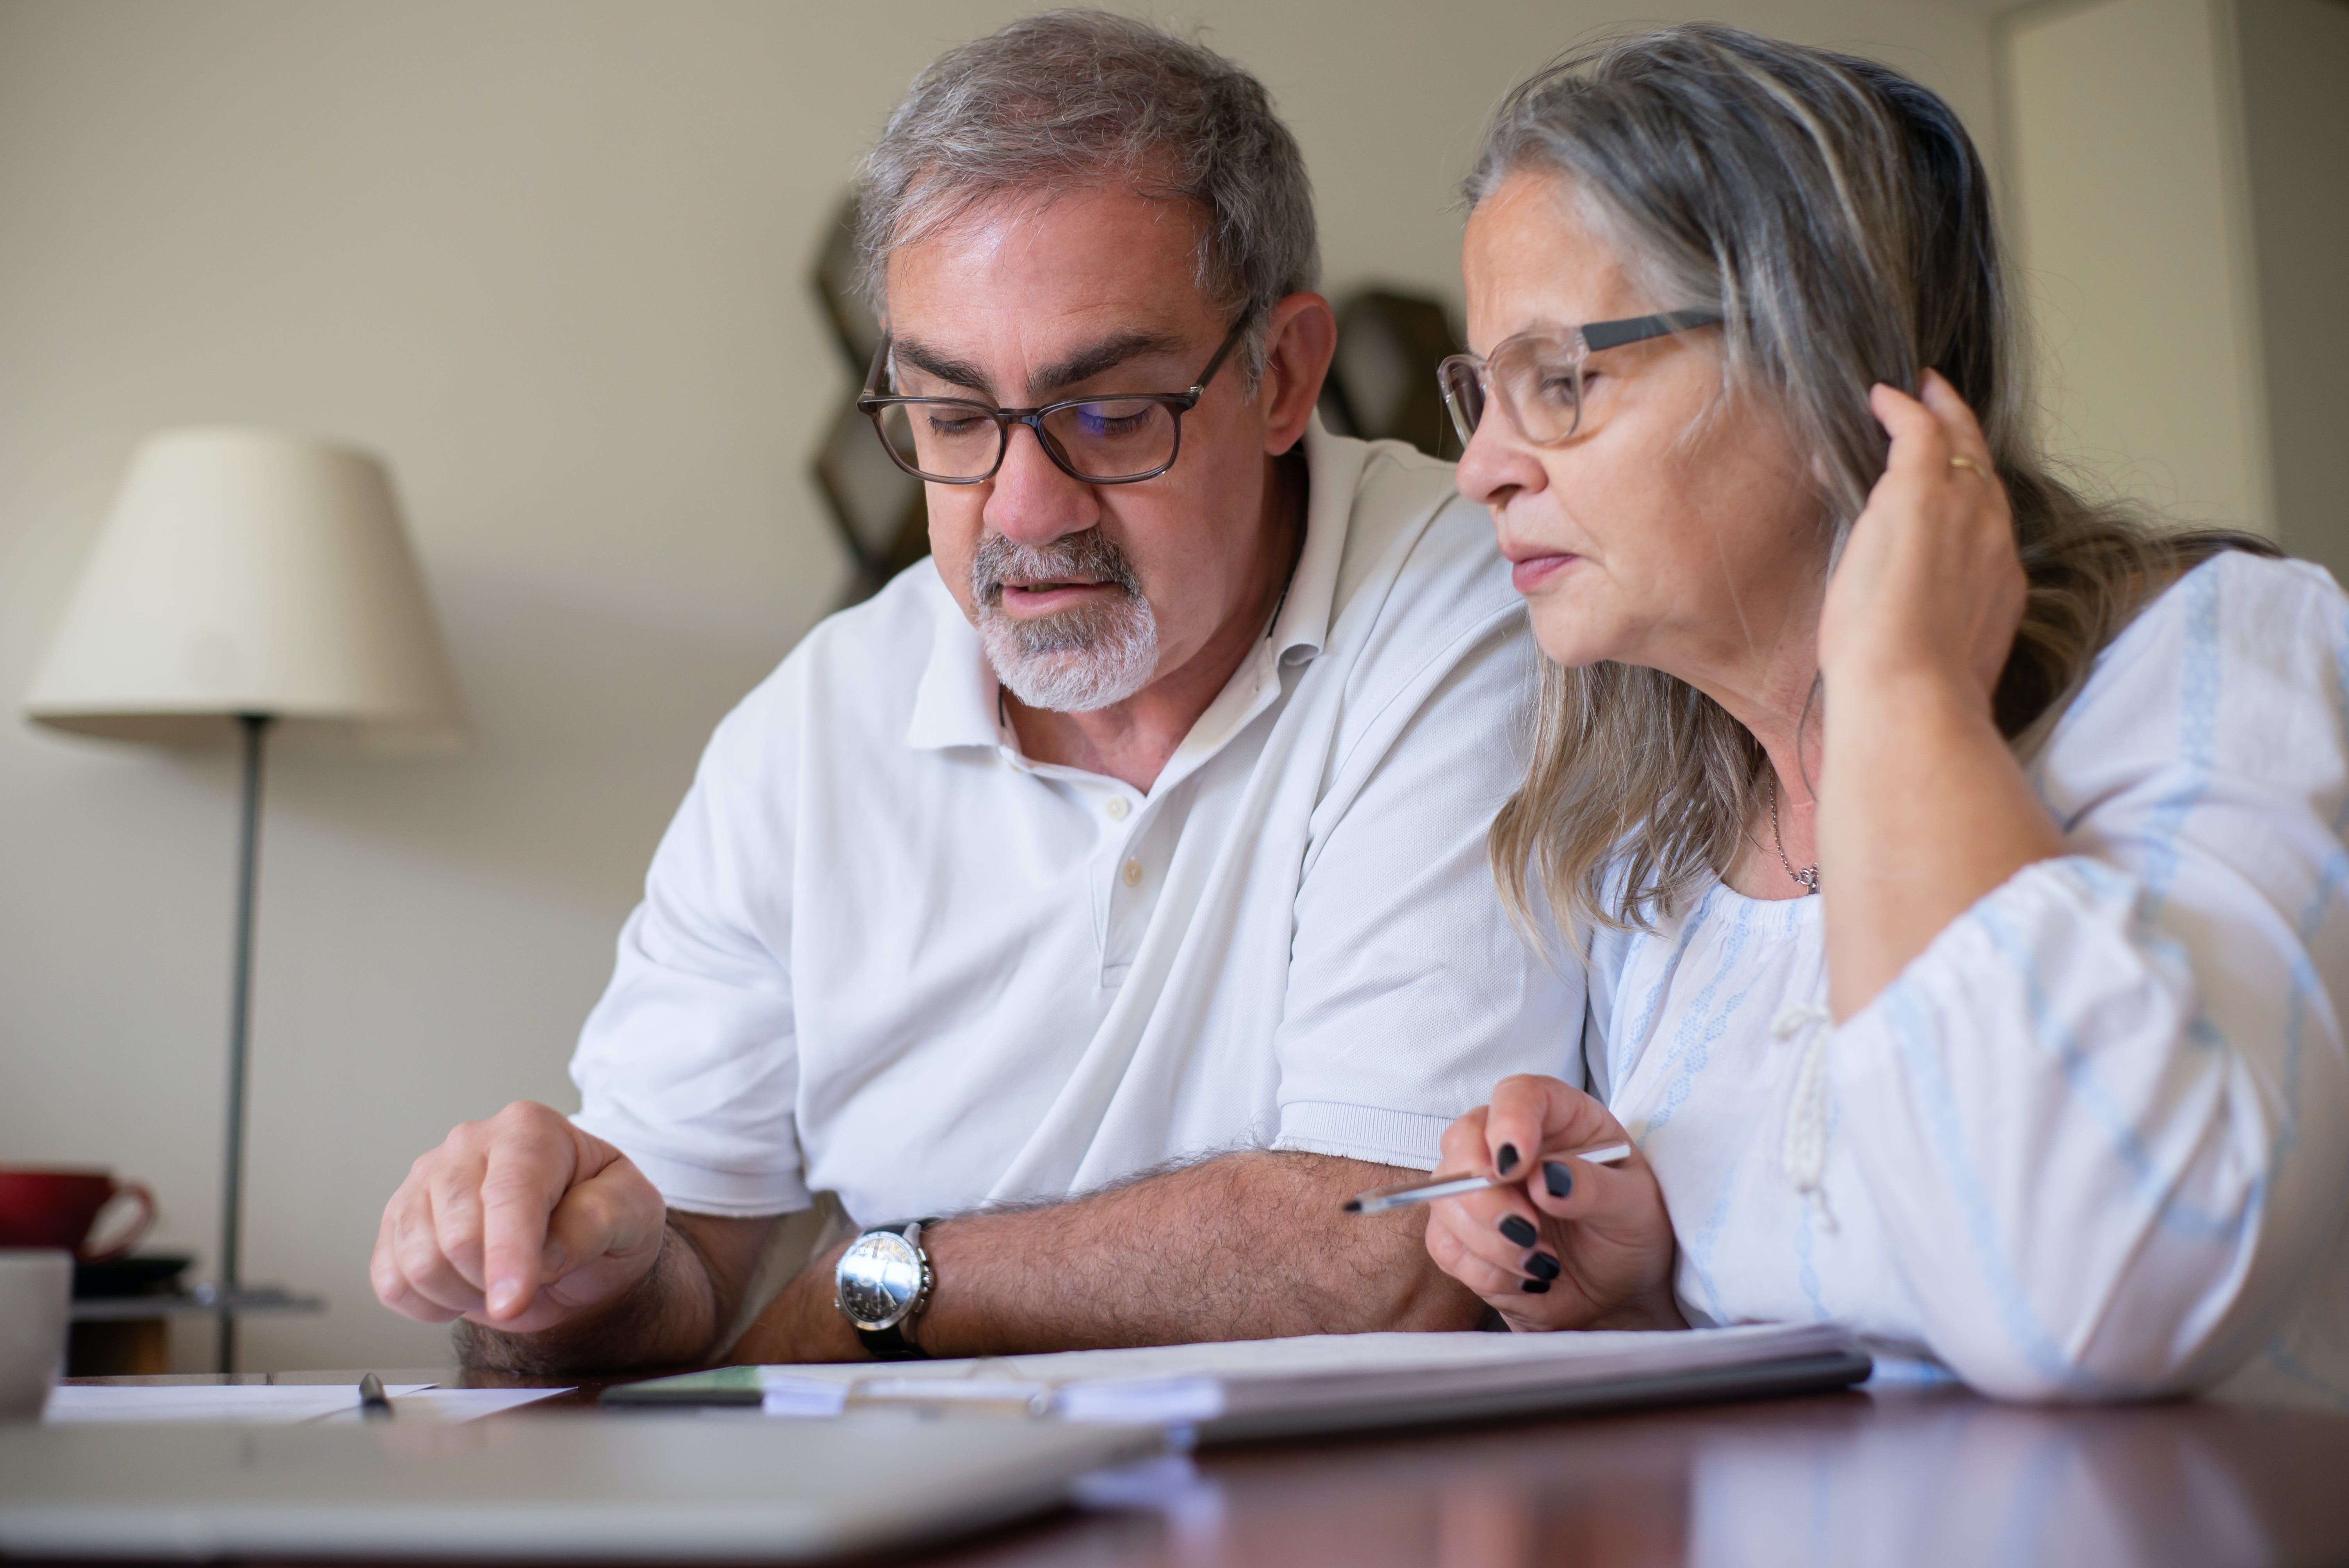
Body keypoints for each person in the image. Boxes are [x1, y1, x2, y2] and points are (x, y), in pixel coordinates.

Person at [371, 11, 1566, 1372]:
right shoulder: (809, 732)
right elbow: (665, 1291)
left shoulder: (1471, 594)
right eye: (951, 419)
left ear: (1283, 374)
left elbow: (1391, 1236)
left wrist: (865, 1290)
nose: (1024, 506)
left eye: (1113, 413)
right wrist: (546, 1270)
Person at [1420, 24, 2349, 1405]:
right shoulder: (1655, 858)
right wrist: (1643, 1298)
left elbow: (2104, 1298)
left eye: (1558, 382)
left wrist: (1905, 702)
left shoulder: (2226, 663)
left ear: (1813, 360)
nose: (1480, 472)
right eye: (1479, 392)